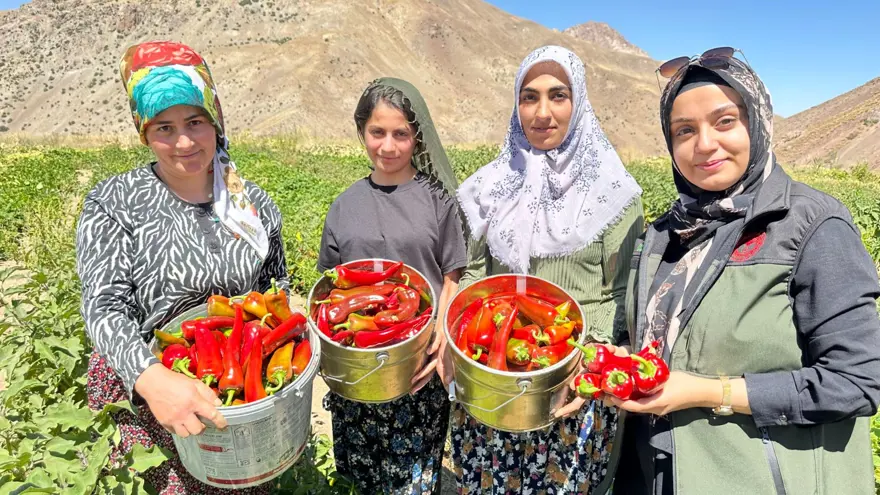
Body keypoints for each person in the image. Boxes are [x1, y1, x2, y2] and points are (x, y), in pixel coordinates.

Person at [611, 47, 880, 494]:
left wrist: (709, 392)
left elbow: (856, 381)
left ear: (756, 121)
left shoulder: (812, 225)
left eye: (724, 121)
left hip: (760, 478)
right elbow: (667, 346)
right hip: (659, 468)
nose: (704, 144)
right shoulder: (665, 234)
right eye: (684, 130)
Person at [76, 41, 287, 494]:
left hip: (236, 389)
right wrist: (150, 380)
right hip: (149, 395)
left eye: (195, 122)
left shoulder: (252, 204)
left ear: (216, 120)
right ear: (143, 133)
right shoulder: (115, 202)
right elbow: (103, 306)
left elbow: (275, 289)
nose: (184, 142)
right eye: (164, 128)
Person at [449, 45, 644, 494]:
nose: (542, 112)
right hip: (495, 371)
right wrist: (465, 346)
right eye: (529, 97)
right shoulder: (489, 187)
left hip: (569, 386)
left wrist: (580, 362)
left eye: (558, 96)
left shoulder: (614, 195)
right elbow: (476, 276)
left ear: (580, 104)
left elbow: (619, 296)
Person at [317, 77, 468, 494]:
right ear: (362, 131)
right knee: (359, 480)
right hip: (357, 372)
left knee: (414, 482)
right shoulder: (345, 205)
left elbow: (453, 271)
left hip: (417, 367)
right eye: (377, 132)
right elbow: (330, 288)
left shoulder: (438, 200)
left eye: (401, 133)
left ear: (417, 135)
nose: (388, 146)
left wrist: (440, 327)